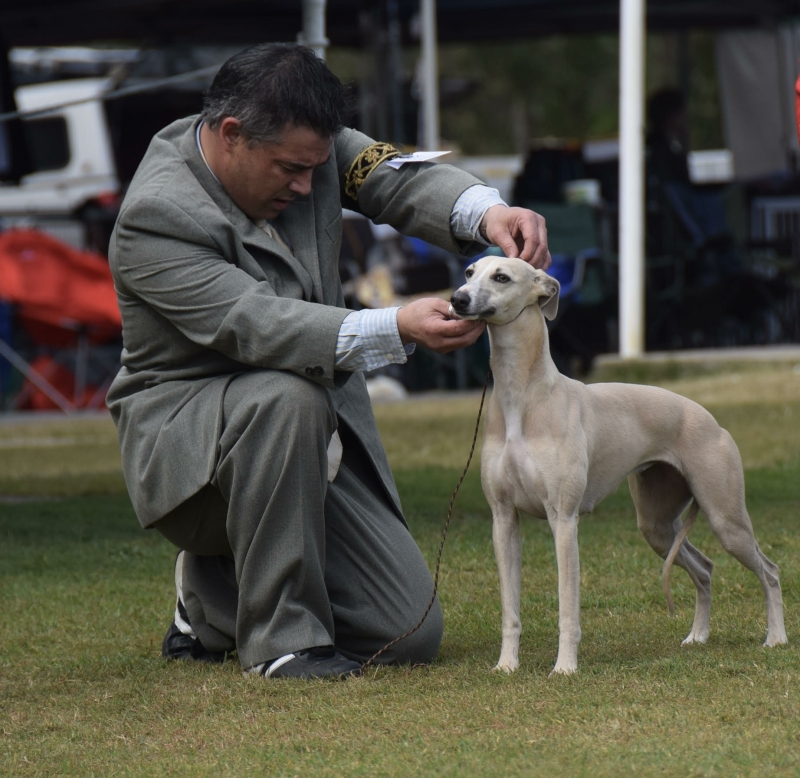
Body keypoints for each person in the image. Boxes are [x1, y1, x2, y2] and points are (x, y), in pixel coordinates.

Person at [106, 43, 550, 680]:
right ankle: (282, 645)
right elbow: (259, 326)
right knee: (282, 396)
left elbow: (395, 174)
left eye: (318, 166)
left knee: (408, 633)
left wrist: (489, 212)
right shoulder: (156, 218)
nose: (309, 186)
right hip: (191, 455)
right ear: (231, 134)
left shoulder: (306, 144)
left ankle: (211, 598)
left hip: (302, 437)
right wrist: (397, 325)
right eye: (290, 169)